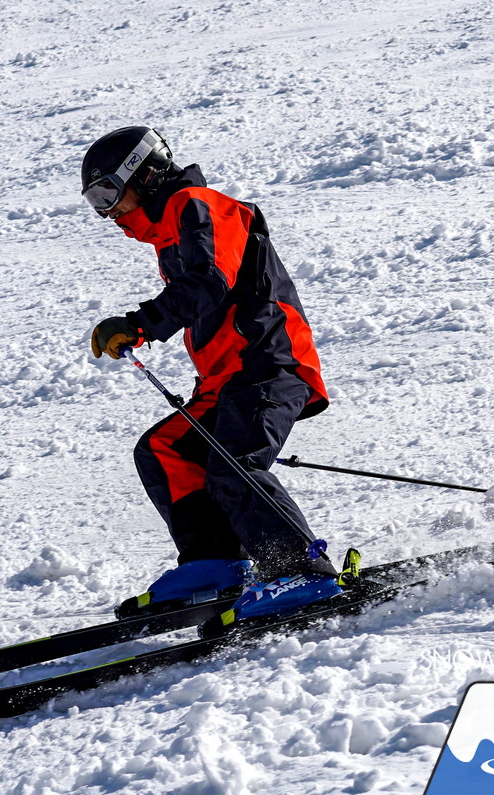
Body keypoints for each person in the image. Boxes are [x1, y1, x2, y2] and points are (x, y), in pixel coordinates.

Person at [81, 126, 337, 616]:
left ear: (147, 174)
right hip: (225, 380)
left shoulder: (198, 205)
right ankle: (214, 562)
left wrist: (140, 324)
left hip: (267, 366)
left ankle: (301, 572)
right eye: (96, 199)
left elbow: (210, 281)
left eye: (109, 191)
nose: (106, 209)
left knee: (235, 463)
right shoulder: (171, 231)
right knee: (164, 450)